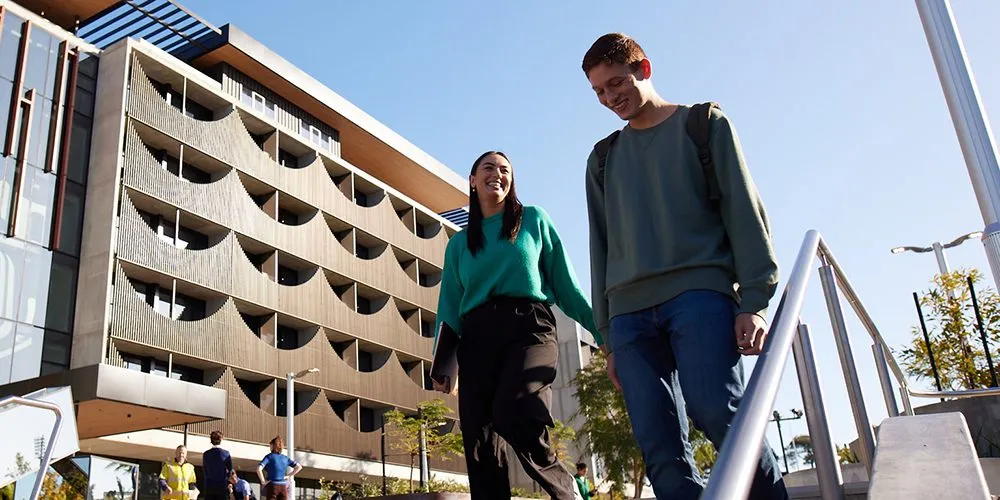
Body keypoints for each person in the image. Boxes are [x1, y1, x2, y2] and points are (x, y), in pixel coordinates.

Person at [581, 33, 788, 500]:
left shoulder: (703, 124)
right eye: (599, 92)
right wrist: (607, 337)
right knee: (658, 447)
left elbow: (744, 210)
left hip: (699, 294)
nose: (611, 97)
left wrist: (754, 300)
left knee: (718, 411)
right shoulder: (602, 158)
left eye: (616, 83)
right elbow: (601, 248)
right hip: (629, 316)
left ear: (644, 69)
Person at [432, 150, 603, 500]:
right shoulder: (458, 244)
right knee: (479, 444)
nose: (498, 173)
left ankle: (567, 490)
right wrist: (444, 365)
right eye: (488, 167)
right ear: (472, 180)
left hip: (529, 328)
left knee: (514, 411)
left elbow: (568, 287)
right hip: (476, 339)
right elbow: (449, 306)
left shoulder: (534, 220)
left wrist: (604, 333)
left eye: (505, 169)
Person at [202, 430, 233, 500]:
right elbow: (230, 470)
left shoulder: (206, 454)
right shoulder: (226, 454)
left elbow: (205, 470)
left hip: (209, 486)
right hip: (222, 486)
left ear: (211, 440)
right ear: (221, 439)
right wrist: (228, 481)